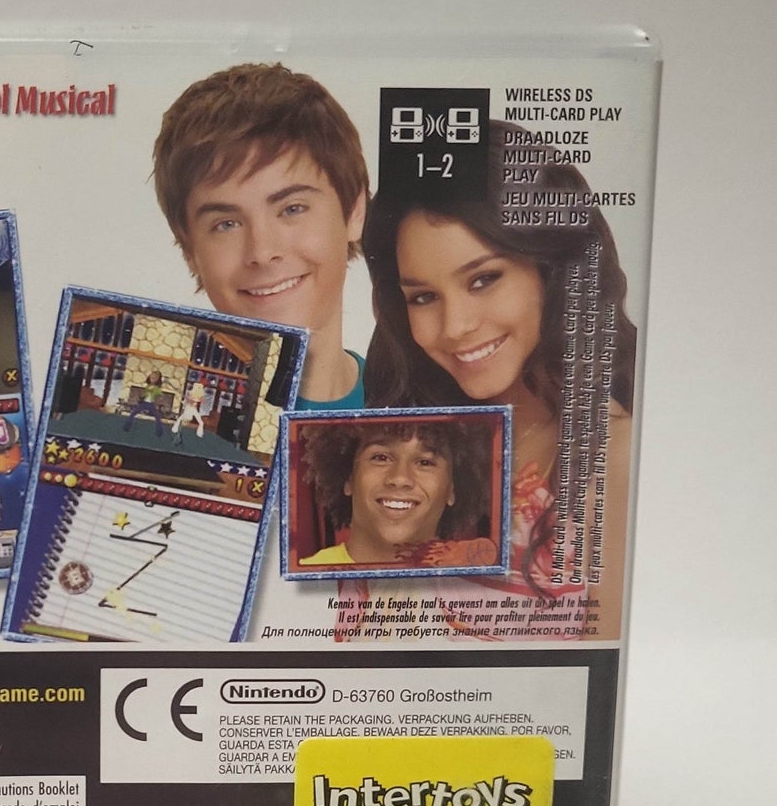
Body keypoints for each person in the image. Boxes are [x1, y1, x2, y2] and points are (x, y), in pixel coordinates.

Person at [361, 121, 637, 631]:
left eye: (483, 279)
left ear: (551, 270)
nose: (455, 326)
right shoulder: (418, 432)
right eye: (423, 297)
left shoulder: (616, 456)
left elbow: (607, 671)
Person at [152, 63, 369, 407]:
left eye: (292, 209)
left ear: (354, 211)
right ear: (189, 249)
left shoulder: (421, 410)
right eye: (227, 224)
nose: (262, 252)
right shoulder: (168, 421)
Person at [297, 420, 492, 567]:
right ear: (348, 478)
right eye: (381, 457)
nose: (400, 478)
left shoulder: (474, 589)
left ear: (452, 488)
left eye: (425, 462)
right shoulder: (301, 582)